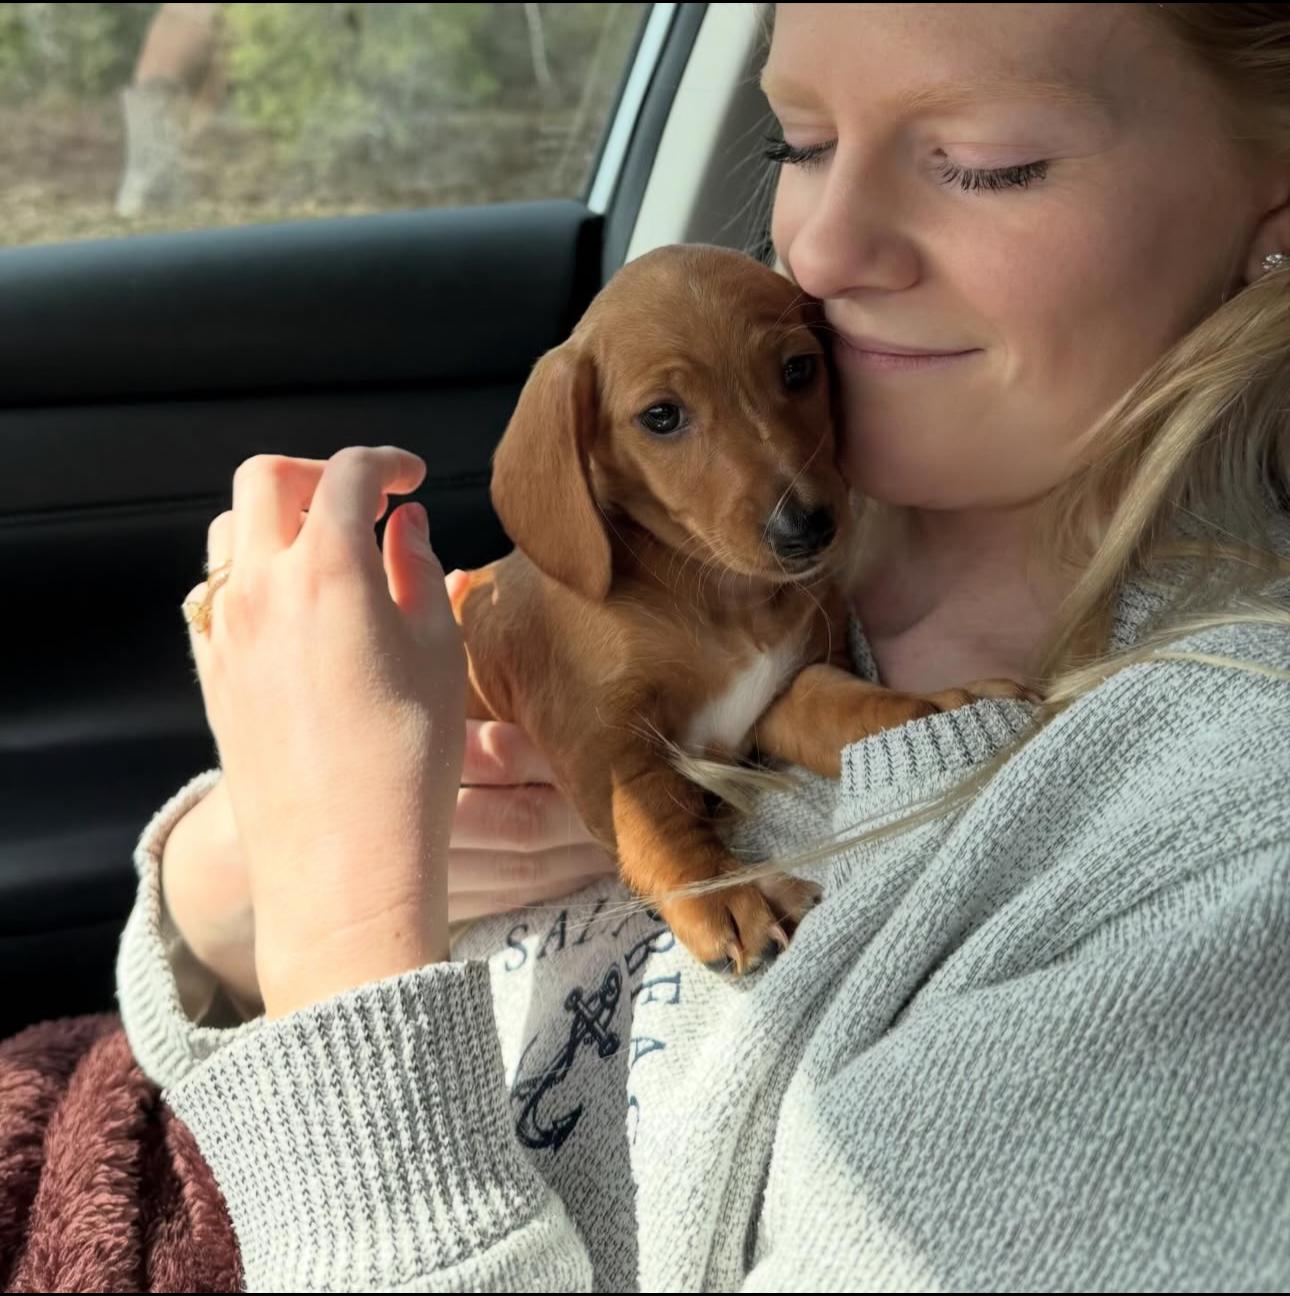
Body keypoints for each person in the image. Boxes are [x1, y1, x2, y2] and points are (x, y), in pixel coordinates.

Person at [117, 4, 1290, 1290]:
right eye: (800, 141)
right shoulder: (749, 553)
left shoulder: (1226, 845)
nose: (822, 250)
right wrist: (241, 875)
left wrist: (344, 919)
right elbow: (203, 1029)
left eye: (986, 160)